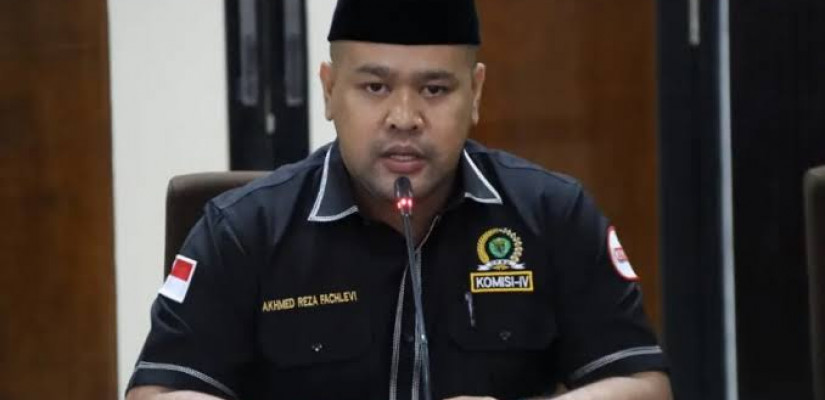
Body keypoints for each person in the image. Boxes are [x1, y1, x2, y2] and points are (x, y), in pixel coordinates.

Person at [126, 0, 671, 399]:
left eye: (435, 89)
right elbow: (161, 392)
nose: (405, 118)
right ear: (329, 90)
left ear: (475, 93)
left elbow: (643, 384)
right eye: (375, 88)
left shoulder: (552, 215)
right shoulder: (244, 229)